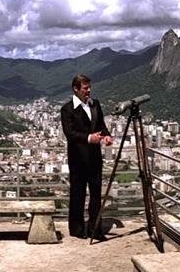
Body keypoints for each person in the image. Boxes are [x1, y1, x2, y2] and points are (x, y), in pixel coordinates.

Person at [61, 74, 113, 240]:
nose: (89, 91)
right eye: (85, 88)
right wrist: (89, 138)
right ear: (76, 89)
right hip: (77, 159)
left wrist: (107, 136)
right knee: (78, 193)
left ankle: (95, 228)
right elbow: (70, 134)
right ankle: (77, 229)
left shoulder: (95, 104)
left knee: (96, 194)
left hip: (95, 157)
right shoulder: (67, 109)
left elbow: (101, 125)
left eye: (89, 87)